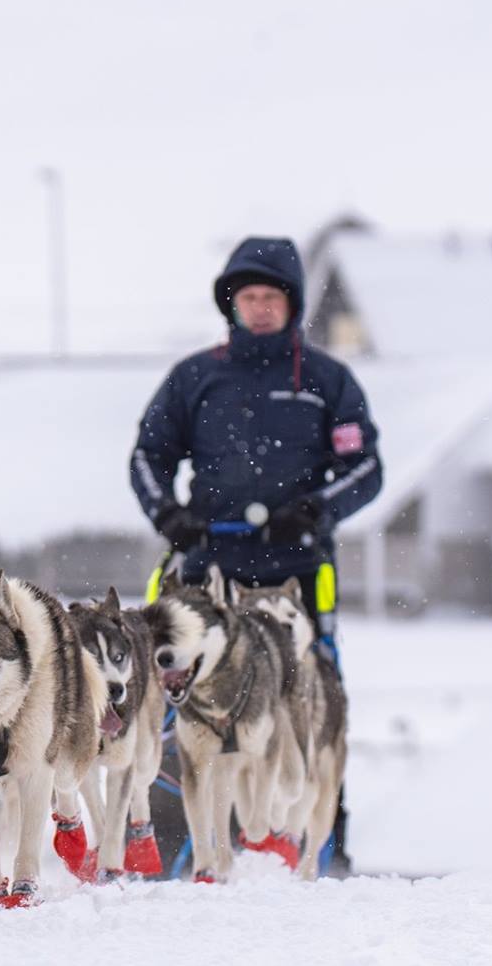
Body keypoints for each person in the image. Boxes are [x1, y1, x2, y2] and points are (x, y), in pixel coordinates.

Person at [129, 236, 382, 874]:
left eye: (272, 296)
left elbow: (367, 466)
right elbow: (147, 457)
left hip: (297, 574)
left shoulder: (328, 381)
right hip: (208, 574)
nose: (261, 308)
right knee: (184, 701)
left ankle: (323, 846)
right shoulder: (195, 376)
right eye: (249, 297)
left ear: (292, 304)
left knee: (314, 697)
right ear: (231, 304)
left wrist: (317, 510)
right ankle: (175, 847)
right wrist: (170, 516)